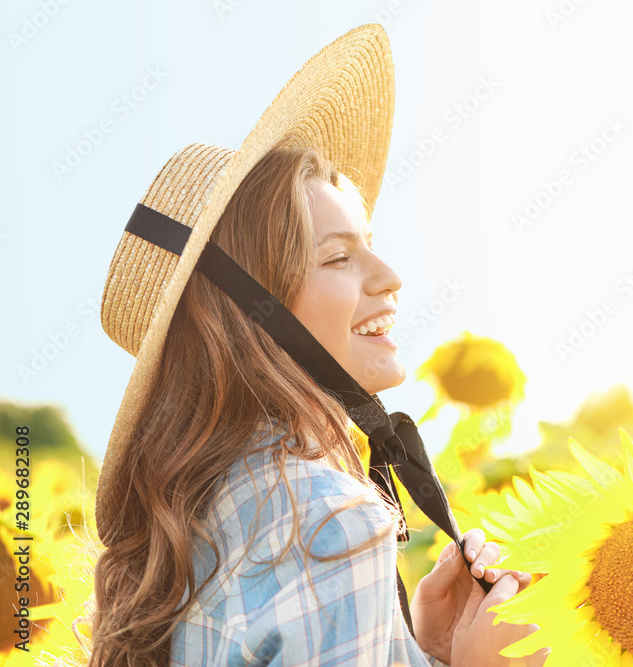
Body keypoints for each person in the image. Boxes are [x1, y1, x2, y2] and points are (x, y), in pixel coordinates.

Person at [88, 25, 545, 666]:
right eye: (337, 258)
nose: (389, 278)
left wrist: (423, 651)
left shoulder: (199, 520)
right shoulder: (328, 525)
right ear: (252, 317)